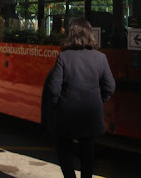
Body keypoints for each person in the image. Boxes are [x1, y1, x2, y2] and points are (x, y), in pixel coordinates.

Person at [47, 19, 116, 178]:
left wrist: (58, 105)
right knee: (88, 153)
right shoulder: (101, 58)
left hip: (67, 114)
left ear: (71, 35)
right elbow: (110, 86)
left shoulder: (64, 57)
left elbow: (53, 89)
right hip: (91, 114)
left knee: (64, 151)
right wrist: (99, 100)